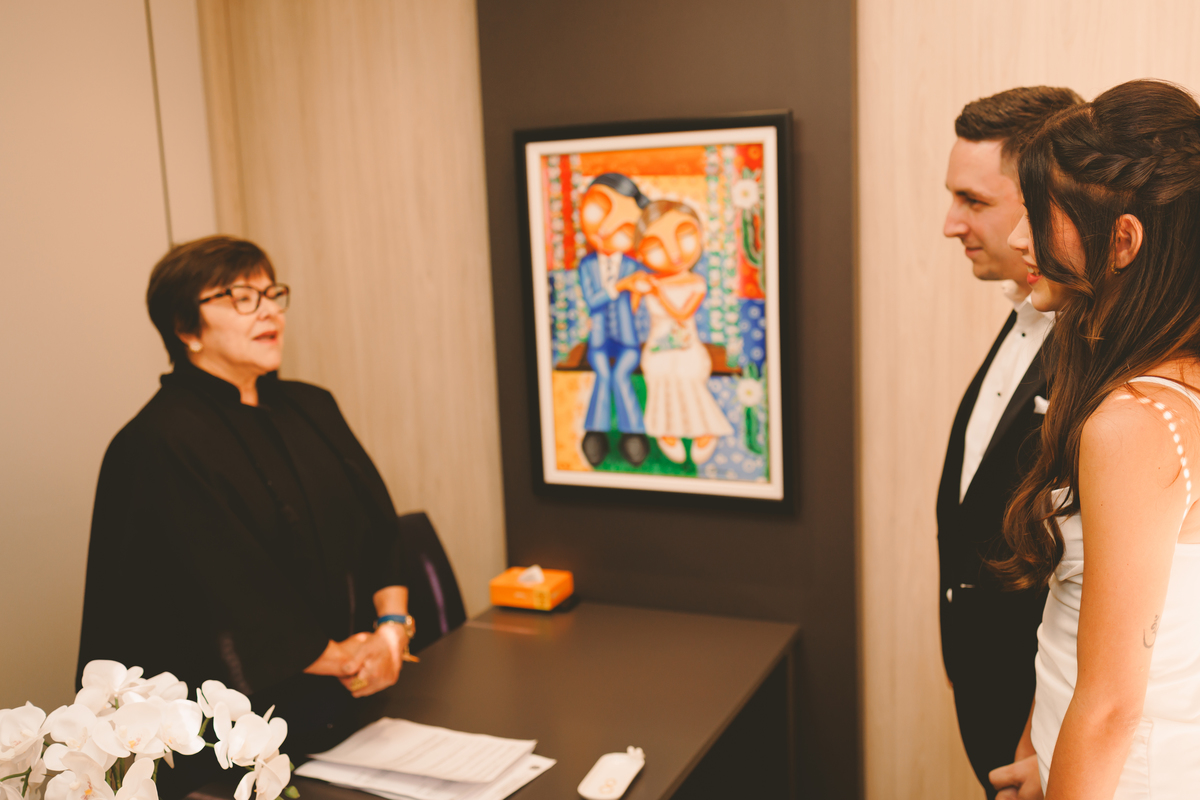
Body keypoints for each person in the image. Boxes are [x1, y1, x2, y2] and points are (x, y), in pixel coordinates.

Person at [79, 236, 415, 797]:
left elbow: (379, 529)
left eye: (272, 293)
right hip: (235, 740)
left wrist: (391, 632)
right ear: (186, 328)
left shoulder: (313, 406)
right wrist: (342, 659)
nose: (269, 311)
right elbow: (221, 592)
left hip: (359, 705)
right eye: (241, 297)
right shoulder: (156, 442)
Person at [991, 78, 1200, 799]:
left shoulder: (1132, 424)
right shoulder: (1168, 389)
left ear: (1123, 241)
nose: (1019, 240)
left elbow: (1111, 708)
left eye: (1039, 215)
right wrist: (1039, 750)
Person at [938, 85, 1082, 799]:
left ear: (1042, 202)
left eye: (973, 200)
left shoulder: (1097, 351)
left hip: (1044, 736)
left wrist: (1046, 745)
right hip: (988, 698)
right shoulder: (1026, 311)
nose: (950, 224)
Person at [626, 199, 733, 464]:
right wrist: (631, 286)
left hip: (687, 347)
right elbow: (630, 311)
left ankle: (704, 429)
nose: (673, 252)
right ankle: (666, 430)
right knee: (660, 377)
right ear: (641, 254)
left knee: (688, 375)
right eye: (655, 247)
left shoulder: (696, 282)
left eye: (684, 236)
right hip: (657, 349)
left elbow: (682, 314)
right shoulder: (650, 280)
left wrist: (657, 290)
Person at [576, 173, 651, 467]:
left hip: (627, 340)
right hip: (598, 341)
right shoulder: (587, 266)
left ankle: (633, 435)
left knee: (620, 375)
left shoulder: (633, 265)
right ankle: (596, 433)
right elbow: (593, 300)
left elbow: (639, 303)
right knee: (603, 374)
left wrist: (637, 293)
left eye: (623, 228)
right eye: (599, 211)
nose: (606, 230)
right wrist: (619, 286)